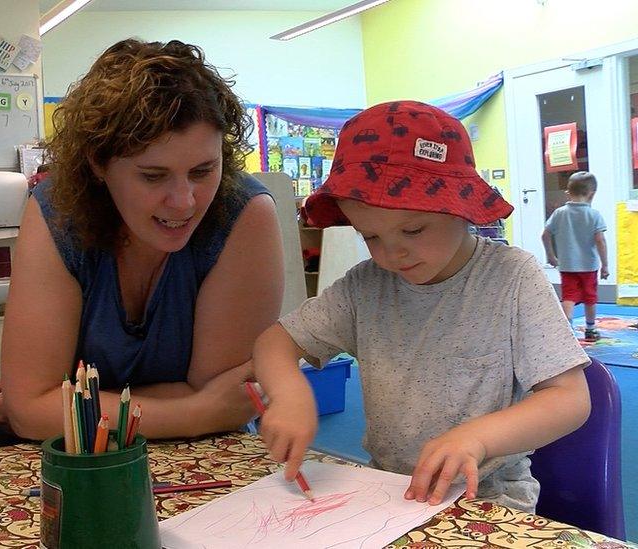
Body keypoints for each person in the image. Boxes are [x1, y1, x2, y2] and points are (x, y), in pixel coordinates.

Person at [252, 101, 591, 512]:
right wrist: (288, 393)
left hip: (487, 500)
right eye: (371, 236)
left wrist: (478, 437)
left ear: (462, 208)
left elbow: (569, 399)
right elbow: (274, 342)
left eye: (412, 229)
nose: (391, 254)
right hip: (390, 493)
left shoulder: (512, 277)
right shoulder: (365, 286)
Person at [0, 39, 284, 448]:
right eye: (153, 176)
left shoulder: (246, 213)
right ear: (99, 164)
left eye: (203, 170)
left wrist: (67, 406)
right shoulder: (57, 211)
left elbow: (231, 401)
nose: (184, 201)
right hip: (62, 453)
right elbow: (30, 411)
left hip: (199, 454)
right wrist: (194, 412)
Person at [541, 171, 609, 341]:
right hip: (589, 266)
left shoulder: (559, 213)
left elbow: (545, 235)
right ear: (592, 194)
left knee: (569, 297)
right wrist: (605, 264)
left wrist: (551, 255)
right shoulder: (594, 215)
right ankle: (591, 330)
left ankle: (567, 330)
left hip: (567, 265)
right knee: (590, 297)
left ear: (568, 193)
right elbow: (600, 240)